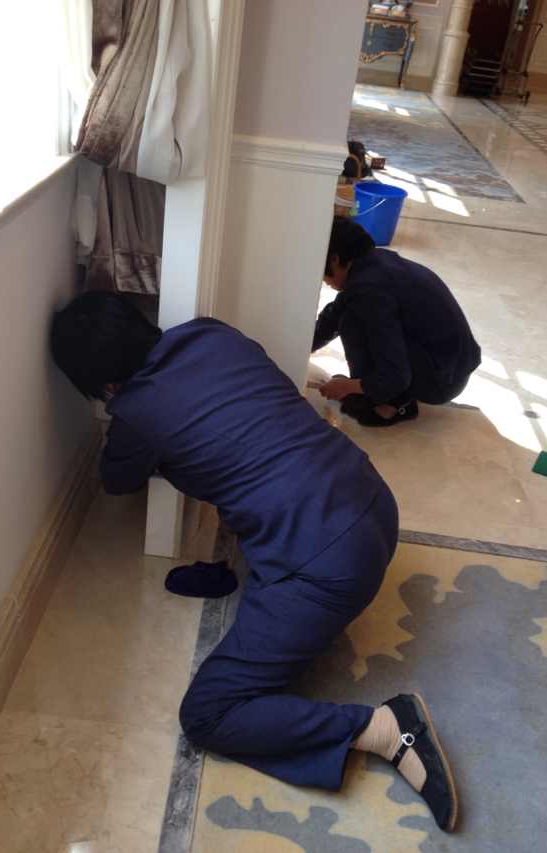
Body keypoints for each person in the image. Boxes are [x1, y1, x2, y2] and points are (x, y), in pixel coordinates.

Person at [51, 291, 458, 832]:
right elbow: (242, 437)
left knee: (209, 713)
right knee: (255, 467)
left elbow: (116, 480)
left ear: (104, 385)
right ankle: (234, 573)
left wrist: (127, 421)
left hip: (328, 564)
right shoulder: (211, 333)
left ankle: (386, 730)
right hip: (370, 496)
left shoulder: (136, 413)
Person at [313, 217, 481, 426]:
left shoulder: (368, 290)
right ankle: (379, 390)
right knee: (350, 312)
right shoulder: (374, 265)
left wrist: (348, 387)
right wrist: (299, 349)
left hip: (442, 382)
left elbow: (395, 376)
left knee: (352, 322)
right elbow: (332, 317)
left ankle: (389, 405)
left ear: (334, 260)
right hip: (453, 368)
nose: (324, 281)